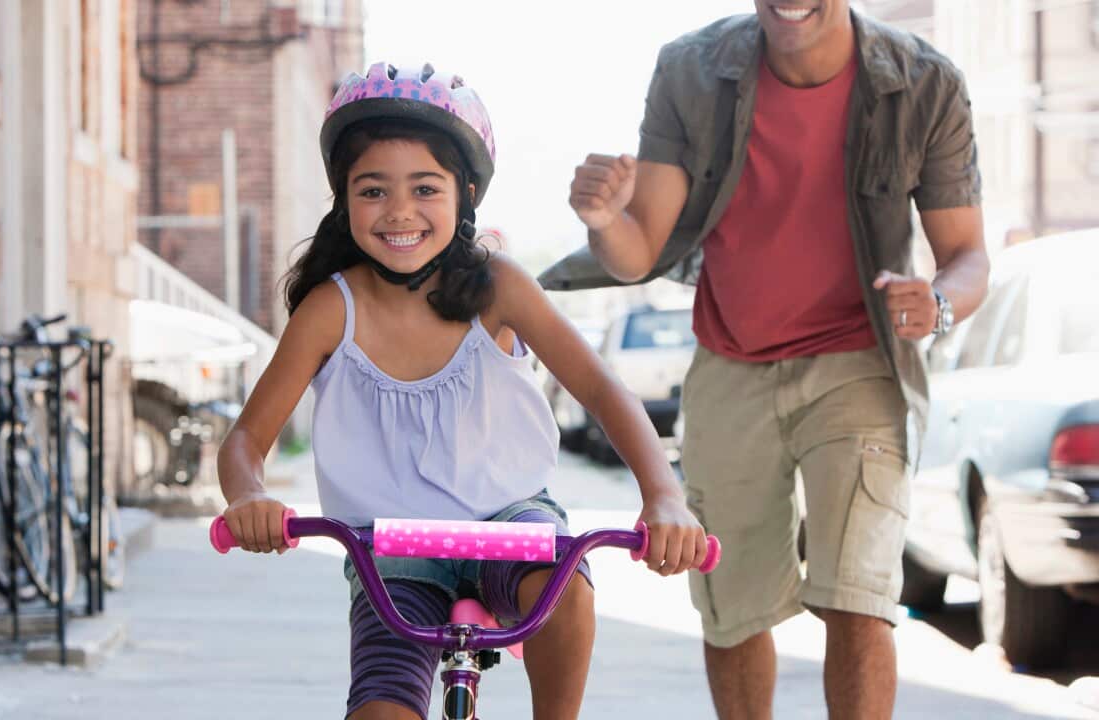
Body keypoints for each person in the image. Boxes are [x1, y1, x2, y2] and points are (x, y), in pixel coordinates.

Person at [215, 62, 707, 720]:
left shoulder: (499, 287)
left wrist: (664, 496)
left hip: (509, 520)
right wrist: (249, 494)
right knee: (380, 709)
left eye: (425, 188)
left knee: (567, 590)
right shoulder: (332, 310)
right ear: (344, 200)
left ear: (466, 194)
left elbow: (601, 388)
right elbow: (247, 438)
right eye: (372, 191)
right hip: (390, 548)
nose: (399, 212)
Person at [540, 3, 990, 719]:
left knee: (859, 596)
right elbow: (641, 250)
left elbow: (967, 256)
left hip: (859, 365)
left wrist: (935, 303)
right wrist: (603, 221)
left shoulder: (923, 82)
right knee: (733, 606)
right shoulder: (690, 71)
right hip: (731, 362)